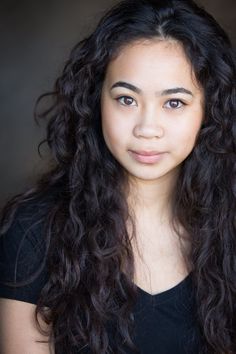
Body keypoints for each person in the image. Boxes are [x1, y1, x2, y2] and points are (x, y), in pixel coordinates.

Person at [0, 0, 235, 353]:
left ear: (208, 110)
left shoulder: (229, 227)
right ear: (97, 100)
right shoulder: (34, 230)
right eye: (126, 99)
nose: (147, 128)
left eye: (174, 103)